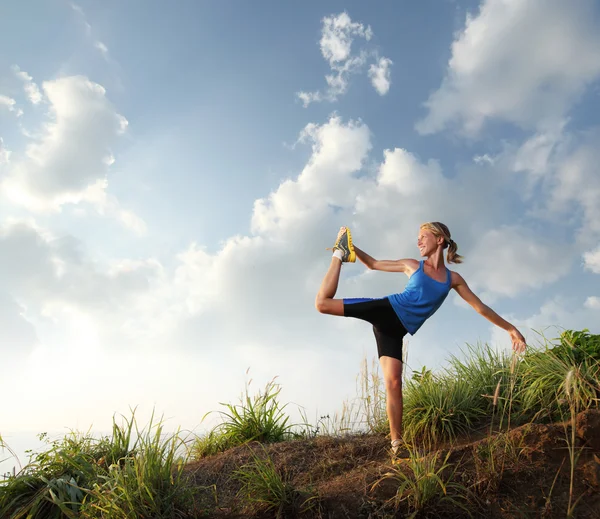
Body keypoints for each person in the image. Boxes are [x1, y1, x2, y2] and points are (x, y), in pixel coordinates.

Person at [315, 223, 527, 456]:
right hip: (385, 310)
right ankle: (338, 254)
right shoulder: (412, 266)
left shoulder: (452, 278)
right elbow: (373, 264)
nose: (418, 242)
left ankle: (397, 447)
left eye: (422, 237)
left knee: (394, 384)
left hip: (394, 332)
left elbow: (480, 307)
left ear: (439, 239)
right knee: (323, 304)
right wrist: (350, 248)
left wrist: (510, 328)